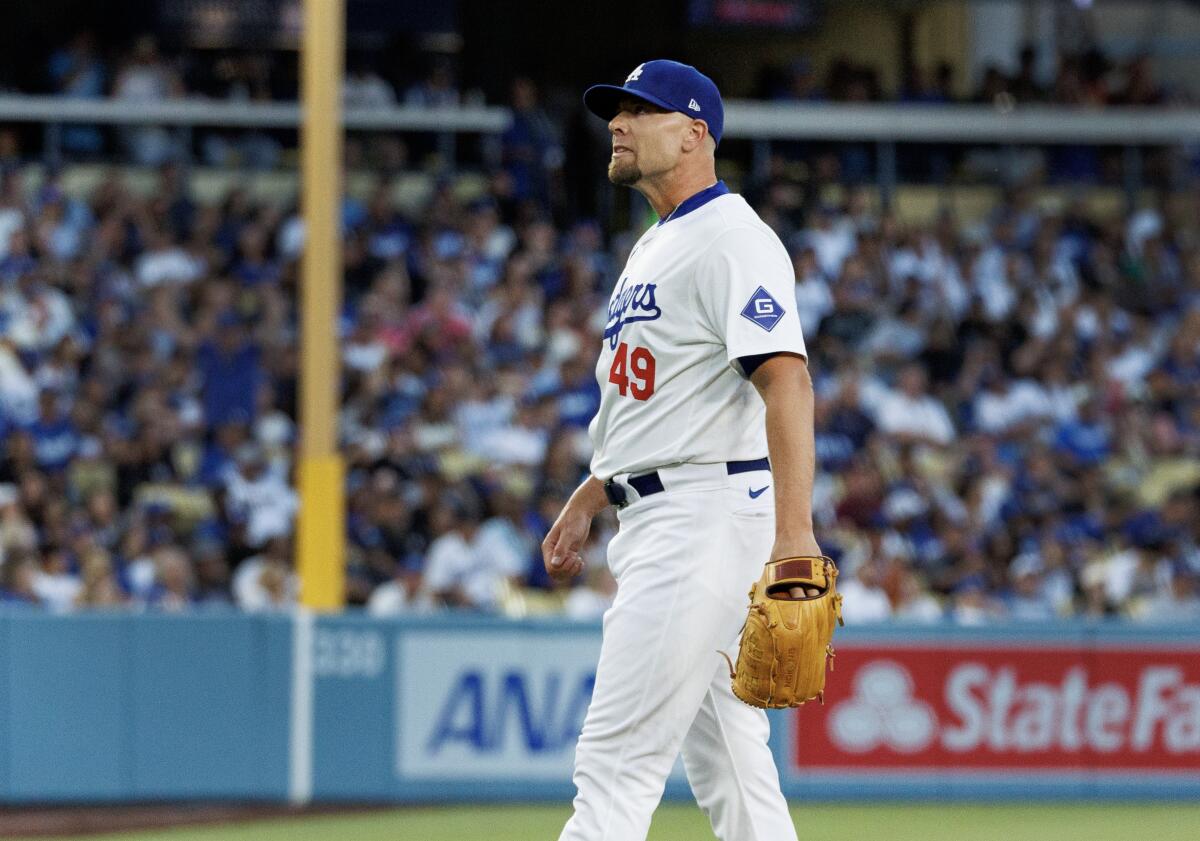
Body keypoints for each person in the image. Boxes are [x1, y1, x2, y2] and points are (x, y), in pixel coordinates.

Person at [542, 59, 817, 841]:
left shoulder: (734, 238)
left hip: (699, 517)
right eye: (616, 112)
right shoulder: (657, 244)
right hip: (668, 508)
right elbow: (661, 400)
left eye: (641, 111)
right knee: (734, 768)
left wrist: (794, 534)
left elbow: (786, 384)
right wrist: (592, 493)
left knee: (613, 767)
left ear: (695, 132)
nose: (618, 124)